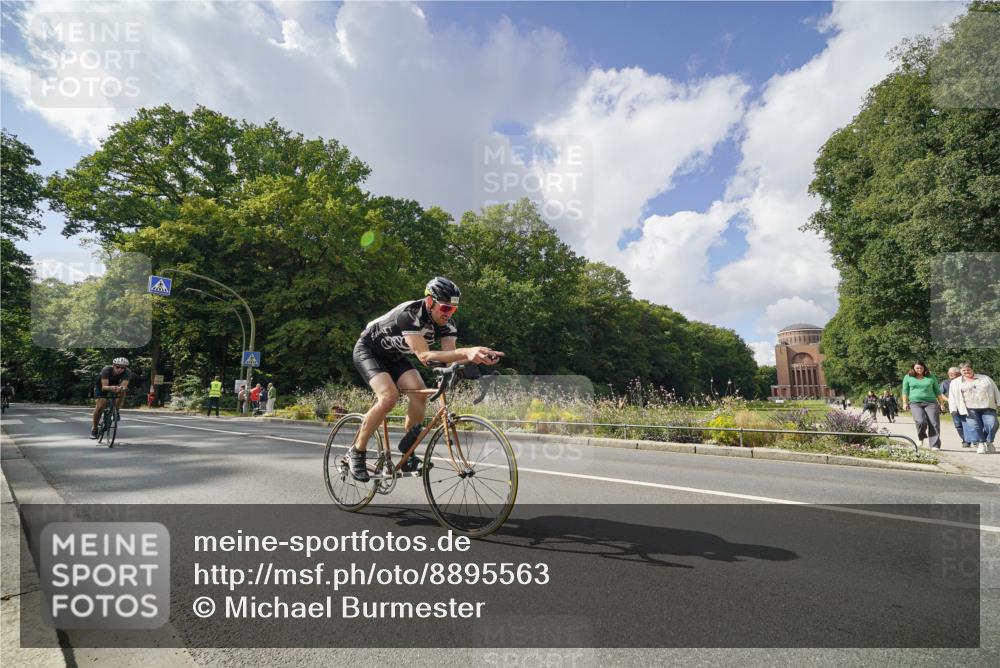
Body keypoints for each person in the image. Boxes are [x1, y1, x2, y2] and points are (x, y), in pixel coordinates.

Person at [349, 276, 503, 481]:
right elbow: (425, 357)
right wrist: (466, 351)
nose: (449, 314)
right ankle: (357, 452)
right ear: (430, 301)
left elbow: (449, 361)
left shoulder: (447, 325)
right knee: (389, 396)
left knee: (419, 394)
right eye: (446, 308)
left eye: (453, 310)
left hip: (395, 356)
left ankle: (407, 452)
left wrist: (479, 364)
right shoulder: (410, 314)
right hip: (368, 351)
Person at [948, 362, 1000, 455]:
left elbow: (995, 389)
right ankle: (980, 444)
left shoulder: (985, 378)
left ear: (972, 369)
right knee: (974, 427)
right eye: (964, 370)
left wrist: (999, 402)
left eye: (968, 369)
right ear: (960, 371)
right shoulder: (955, 382)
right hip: (969, 408)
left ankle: (989, 442)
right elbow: (952, 396)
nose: (966, 371)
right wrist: (953, 409)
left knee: (993, 424)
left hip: (987, 406)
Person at [900, 361, 948, 450]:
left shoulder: (931, 377)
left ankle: (935, 445)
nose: (919, 370)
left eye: (921, 368)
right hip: (915, 403)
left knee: (934, 423)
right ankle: (920, 437)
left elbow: (937, 391)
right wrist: (904, 403)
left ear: (924, 368)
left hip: (931, 402)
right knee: (920, 421)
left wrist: (941, 403)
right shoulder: (908, 377)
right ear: (913, 368)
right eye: (917, 368)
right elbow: (905, 391)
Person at [91, 358, 131, 439]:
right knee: (100, 406)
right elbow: (104, 387)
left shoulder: (127, 372)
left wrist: (121, 388)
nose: (119, 369)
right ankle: (94, 429)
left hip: (115, 385)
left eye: (122, 367)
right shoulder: (106, 370)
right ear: (113, 365)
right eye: (117, 366)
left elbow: (124, 385)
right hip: (102, 385)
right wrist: (112, 388)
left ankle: (116, 409)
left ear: (125, 368)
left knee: (123, 391)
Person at [940, 367, 970, 448]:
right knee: (958, 424)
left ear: (959, 374)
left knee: (968, 423)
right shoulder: (945, 383)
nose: (951, 375)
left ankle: (972, 439)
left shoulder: (965, 380)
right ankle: (965, 440)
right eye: (950, 373)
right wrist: (949, 400)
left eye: (953, 373)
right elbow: (940, 394)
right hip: (954, 407)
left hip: (966, 405)